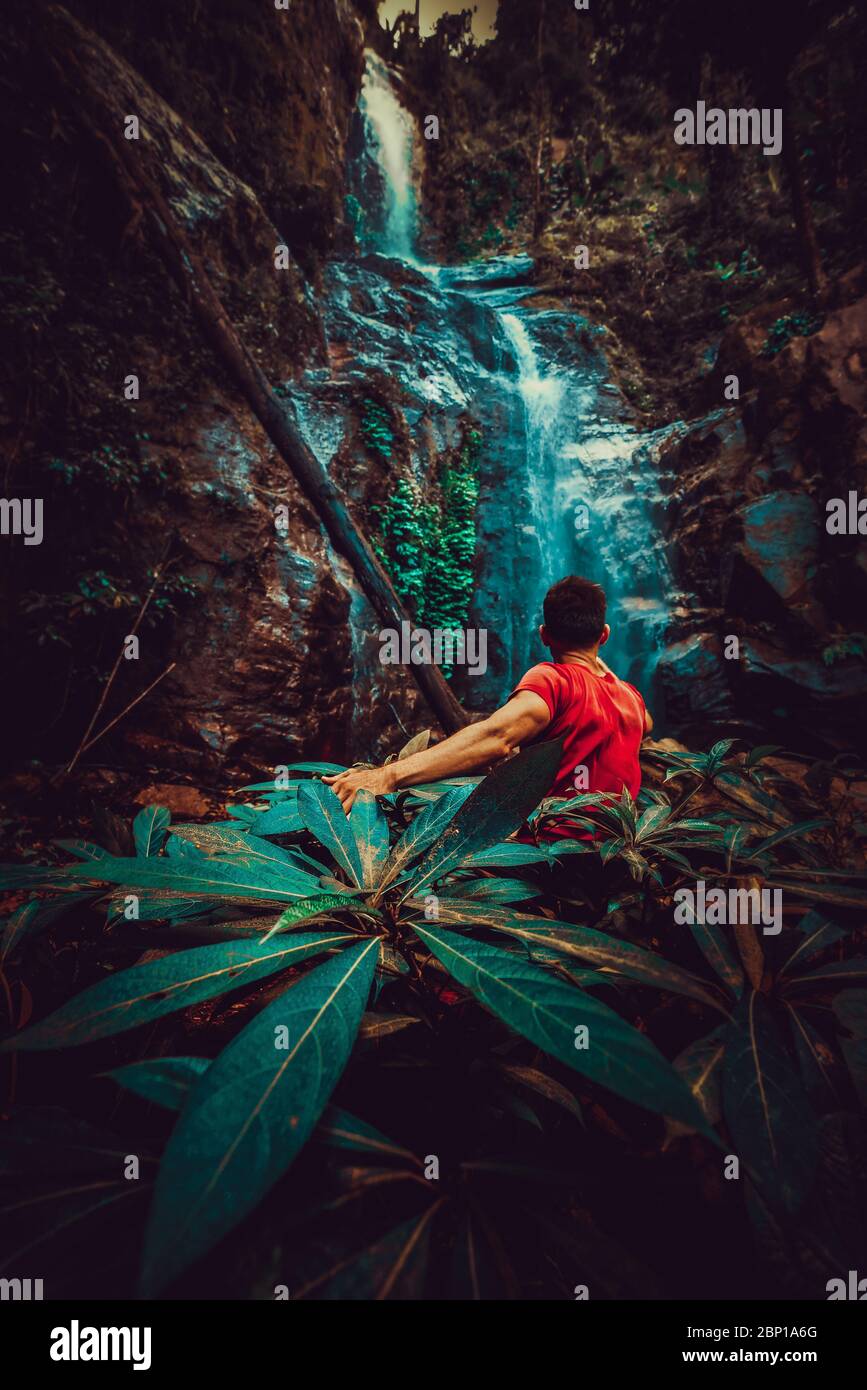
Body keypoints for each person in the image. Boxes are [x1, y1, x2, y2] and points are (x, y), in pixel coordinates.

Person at [324, 576, 652, 837]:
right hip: (615, 849)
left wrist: (388, 777)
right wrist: (600, 663)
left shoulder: (553, 680)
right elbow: (646, 723)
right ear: (605, 635)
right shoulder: (631, 699)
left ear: (544, 636)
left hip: (553, 854)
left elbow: (497, 737)